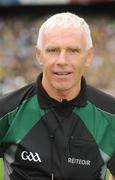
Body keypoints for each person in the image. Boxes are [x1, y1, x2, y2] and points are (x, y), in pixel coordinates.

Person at [0, 12, 115, 180]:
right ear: (39, 55)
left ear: (88, 56)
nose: (62, 60)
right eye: (53, 50)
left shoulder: (111, 115)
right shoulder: (7, 111)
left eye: (73, 50)